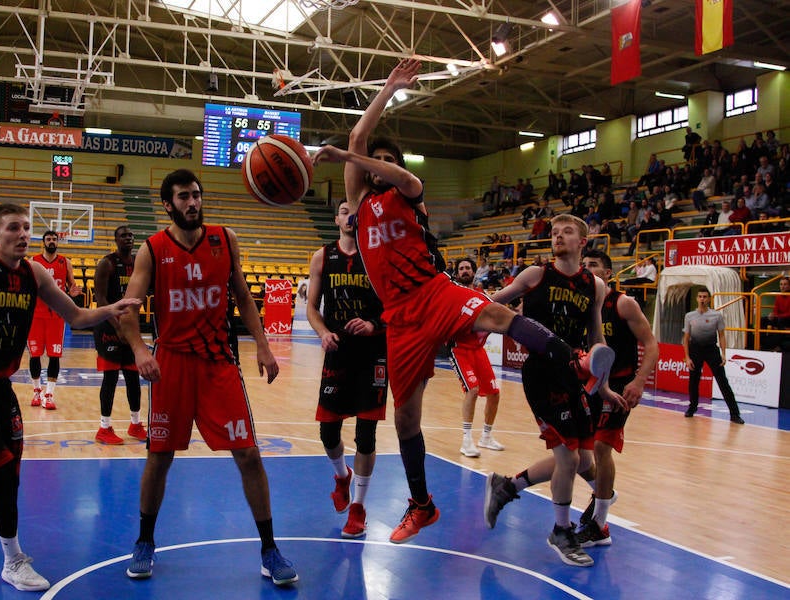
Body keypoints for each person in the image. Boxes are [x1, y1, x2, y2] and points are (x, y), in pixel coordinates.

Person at [312, 58, 612, 546]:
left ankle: (576, 361)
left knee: (496, 313)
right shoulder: (361, 202)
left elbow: (369, 159)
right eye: (375, 160)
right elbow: (357, 143)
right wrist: (387, 88)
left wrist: (360, 158)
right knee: (407, 417)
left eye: (389, 159)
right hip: (400, 317)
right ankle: (422, 505)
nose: (379, 163)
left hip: (434, 290)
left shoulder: (411, 192)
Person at [0, 204, 139, 592]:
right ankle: (12, 559)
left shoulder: (35, 273)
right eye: (14, 227)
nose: (23, 234)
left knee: (9, 478)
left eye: (27, 228)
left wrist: (109, 310)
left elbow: (77, 317)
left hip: (0, 386)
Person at [116, 169, 298, 585]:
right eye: (183, 197)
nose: (192, 202)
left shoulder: (224, 239)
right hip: (173, 364)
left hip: (219, 363)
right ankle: (145, 541)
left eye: (196, 195)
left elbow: (243, 296)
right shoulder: (152, 249)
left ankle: (269, 549)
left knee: (249, 454)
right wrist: (142, 350)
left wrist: (264, 344)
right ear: (168, 204)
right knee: (159, 458)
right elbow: (128, 308)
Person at [483, 214, 628, 568]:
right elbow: (491, 303)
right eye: (554, 233)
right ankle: (561, 532)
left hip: (574, 374)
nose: (558, 237)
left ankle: (506, 487)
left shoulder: (594, 285)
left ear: (583, 241)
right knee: (568, 459)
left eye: (566, 232)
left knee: (582, 459)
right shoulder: (536, 275)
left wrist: (604, 385)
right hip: (541, 373)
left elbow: (597, 338)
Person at [306, 200, 387, 539]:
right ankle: (342, 475)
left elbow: (395, 306)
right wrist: (323, 332)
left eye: (356, 211)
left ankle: (358, 507)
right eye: (343, 210)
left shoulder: (379, 256)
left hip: (372, 354)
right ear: (336, 218)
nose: (350, 215)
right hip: (337, 352)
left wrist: (372, 325)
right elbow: (311, 306)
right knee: (328, 433)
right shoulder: (322, 256)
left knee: (366, 436)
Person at [575, 250, 659, 547]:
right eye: (584, 266)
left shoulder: (623, 303)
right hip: (591, 384)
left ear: (609, 273)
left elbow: (651, 344)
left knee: (601, 446)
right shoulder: (582, 304)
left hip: (621, 384)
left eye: (594, 266)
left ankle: (599, 524)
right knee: (579, 454)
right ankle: (604, 493)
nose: (587, 270)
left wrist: (639, 381)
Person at [93, 225, 146, 445]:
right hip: (108, 327)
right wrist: (118, 327)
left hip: (129, 327)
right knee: (111, 378)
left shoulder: (138, 264)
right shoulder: (107, 264)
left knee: (134, 377)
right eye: (124, 235)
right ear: (116, 240)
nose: (128, 238)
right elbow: (101, 300)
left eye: (131, 235)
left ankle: (135, 424)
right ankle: (104, 427)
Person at [449, 258, 504, 457]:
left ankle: (486, 437)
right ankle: (466, 440)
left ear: (474, 272)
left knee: (494, 393)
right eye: (461, 268)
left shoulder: (483, 296)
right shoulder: (453, 294)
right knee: (472, 390)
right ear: (456, 273)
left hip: (478, 349)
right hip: (459, 349)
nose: (465, 271)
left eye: (468, 268)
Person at [26, 230, 81, 409]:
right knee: (35, 355)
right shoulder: (33, 262)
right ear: (43, 242)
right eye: (48, 239)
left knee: (54, 356)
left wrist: (72, 292)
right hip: (35, 315)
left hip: (56, 316)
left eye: (54, 239)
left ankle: (49, 395)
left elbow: (71, 285)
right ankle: (36, 392)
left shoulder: (66, 262)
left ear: (58, 242)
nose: (51, 241)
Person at [682, 288, 744, 424]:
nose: (702, 299)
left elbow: (721, 335)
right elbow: (686, 338)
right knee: (694, 381)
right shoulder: (689, 316)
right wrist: (687, 357)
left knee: (723, 381)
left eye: (705, 296)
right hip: (695, 349)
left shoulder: (716, 316)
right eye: (700, 296)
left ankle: (734, 414)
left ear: (709, 299)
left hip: (711, 349)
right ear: (697, 299)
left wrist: (723, 353)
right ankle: (692, 408)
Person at [762, 276, 790, 351]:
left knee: (780, 320)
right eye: (781, 284)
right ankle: (762, 343)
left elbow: (789, 313)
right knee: (763, 319)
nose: (782, 286)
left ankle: (777, 345)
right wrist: (772, 315)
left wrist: (777, 316)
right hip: (779, 318)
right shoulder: (778, 296)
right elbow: (776, 310)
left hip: (787, 319)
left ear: (789, 286)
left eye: (785, 284)